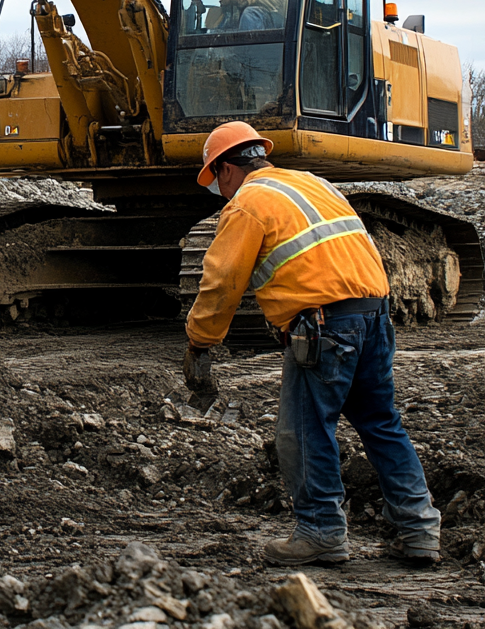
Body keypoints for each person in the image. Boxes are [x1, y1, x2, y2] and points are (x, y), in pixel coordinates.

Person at [183, 121, 441, 566]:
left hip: (324, 327)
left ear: (226, 169)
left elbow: (222, 282)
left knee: (303, 431)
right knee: (381, 422)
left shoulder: (248, 203)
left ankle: (321, 531)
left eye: (216, 180)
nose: (219, 191)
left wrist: (200, 343)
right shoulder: (314, 184)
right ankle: (418, 529)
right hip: (374, 315)